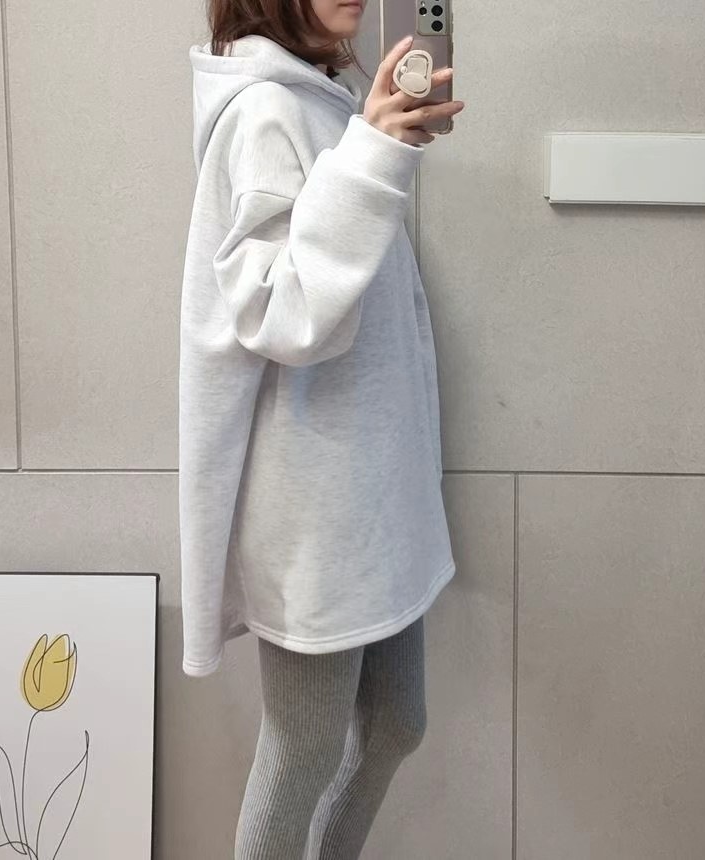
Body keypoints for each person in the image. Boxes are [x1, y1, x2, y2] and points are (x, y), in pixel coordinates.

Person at [179, 0, 465, 856]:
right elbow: (281, 312)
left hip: (372, 490)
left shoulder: (324, 99)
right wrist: (373, 156)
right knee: (303, 746)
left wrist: (375, 141)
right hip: (316, 506)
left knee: (396, 724)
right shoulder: (263, 112)